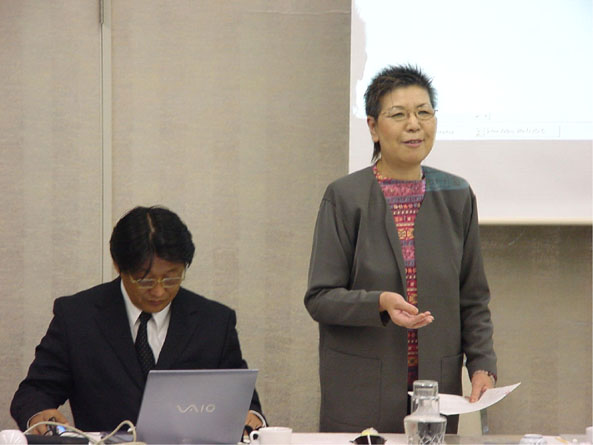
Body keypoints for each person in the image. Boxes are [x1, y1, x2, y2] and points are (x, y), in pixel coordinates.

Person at [304, 65, 497, 434]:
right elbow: (320, 299)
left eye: (424, 112)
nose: (414, 125)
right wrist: (379, 302)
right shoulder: (345, 197)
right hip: (361, 387)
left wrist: (482, 365)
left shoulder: (457, 195)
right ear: (373, 127)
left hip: (435, 388)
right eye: (398, 115)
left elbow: (473, 298)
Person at [11, 206, 265, 435]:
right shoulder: (77, 317)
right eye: (145, 279)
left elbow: (242, 399)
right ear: (118, 265)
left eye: (171, 278)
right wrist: (39, 414)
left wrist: (251, 417)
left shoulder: (215, 322)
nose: (159, 291)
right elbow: (35, 391)